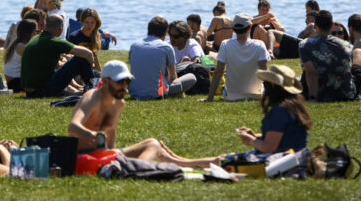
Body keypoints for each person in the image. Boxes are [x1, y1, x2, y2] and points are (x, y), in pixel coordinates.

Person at [68, 60, 224, 168]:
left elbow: (111, 134)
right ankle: (135, 169)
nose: (125, 87)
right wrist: (94, 136)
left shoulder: (119, 103)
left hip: (102, 156)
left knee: (157, 147)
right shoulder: (92, 97)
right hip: (83, 157)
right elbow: (73, 127)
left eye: (127, 82)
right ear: (106, 81)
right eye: (120, 82)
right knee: (152, 144)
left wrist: (110, 153)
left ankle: (196, 163)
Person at [236, 65, 313, 153]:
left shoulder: (280, 111)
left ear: (272, 86)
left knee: (221, 160)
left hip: (279, 162)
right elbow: (283, 136)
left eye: (265, 83)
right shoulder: (293, 106)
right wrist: (254, 136)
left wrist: (250, 140)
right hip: (297, 159)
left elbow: (269, 147)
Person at [21, 14, 96, 97]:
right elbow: (88, 53)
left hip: (30, 92)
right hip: (41, 91)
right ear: (60, 28)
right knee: (80, 59)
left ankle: (88, 89)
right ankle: (93, 89)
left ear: (45, 25)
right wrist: (91, 66)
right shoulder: (53, 41)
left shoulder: (35, 38)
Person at [299, 10, 361, 102]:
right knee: (359, 52)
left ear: (314, 26)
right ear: (332, 25)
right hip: (346, 94)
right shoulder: (347, 45)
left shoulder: (305, 44)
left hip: (321, 94)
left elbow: (311, 73)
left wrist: (313, 98)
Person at [202, 14, 269, 101]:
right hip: (256, 95)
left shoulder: (225, 44)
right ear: (250, 27)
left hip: (231, 96)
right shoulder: (260, 44)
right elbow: (265, 72)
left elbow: (218, 72)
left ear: (233, 29)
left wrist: (209, 98)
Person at [128, 15, 197, 100]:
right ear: (164, 33)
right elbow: (173, 77)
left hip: (135, 92)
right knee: (191, 77)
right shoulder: (166, 47)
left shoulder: (134, 45)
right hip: (157, 93)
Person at [3, 19, 38, 92]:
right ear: (31, 32)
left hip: (14, 81)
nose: (38, 33)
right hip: (16, 83)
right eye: (37, 31)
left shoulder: (17, 44)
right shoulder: (21, 47)